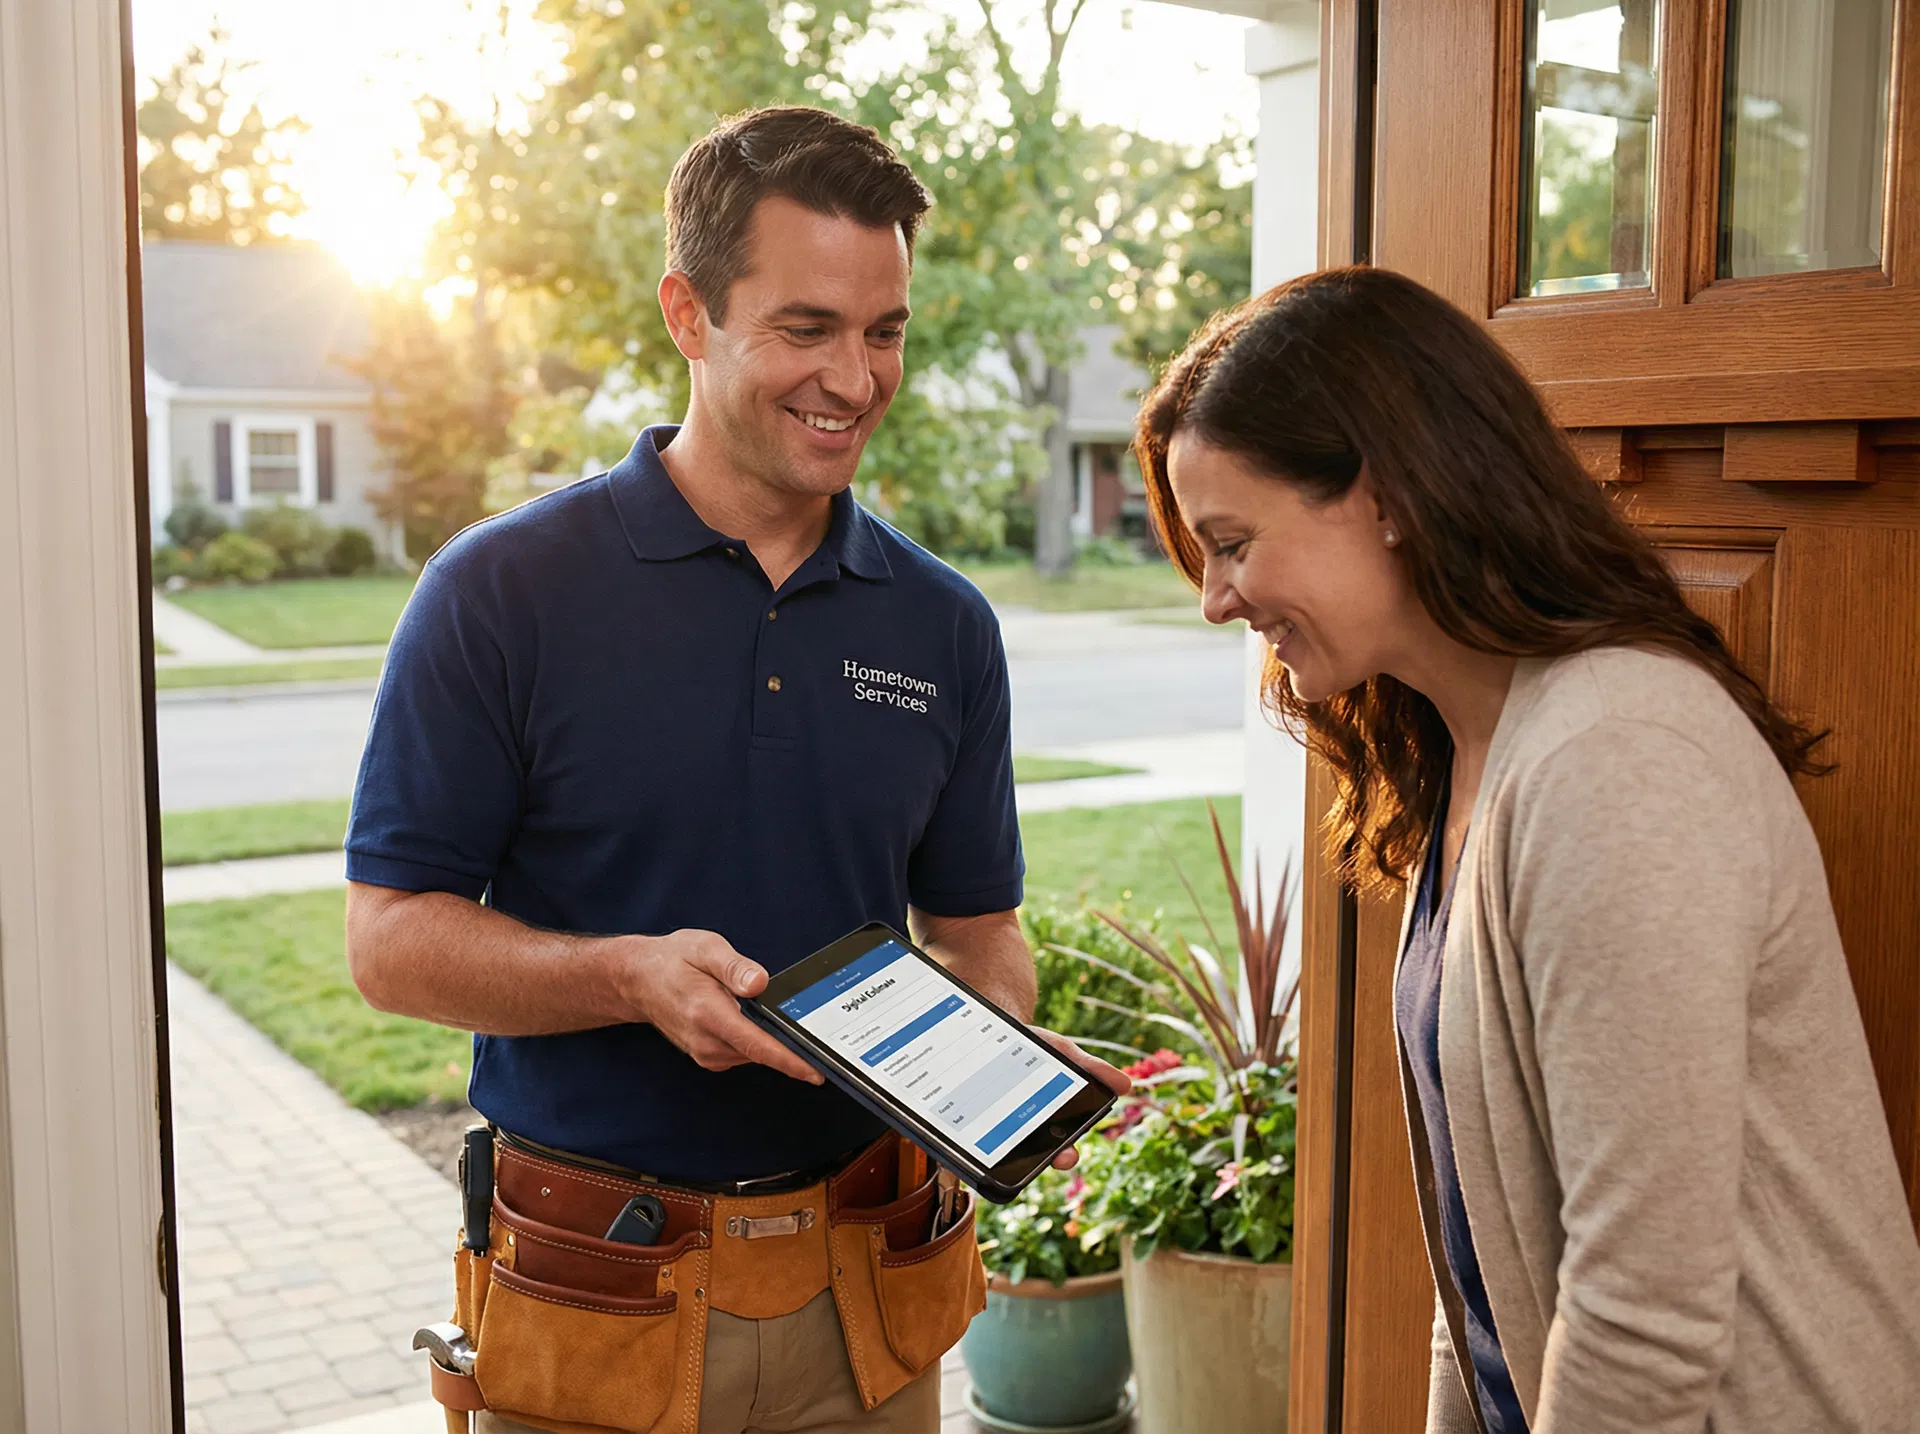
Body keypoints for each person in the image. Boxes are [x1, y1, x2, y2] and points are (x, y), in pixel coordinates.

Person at [345, 106, 1122, 1434]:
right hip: (600, 1296)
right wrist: (626, 975)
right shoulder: (501, 592)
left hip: (871, 1290)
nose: (857, 377)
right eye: (807, 328)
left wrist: (990, 1052)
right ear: (688, 315)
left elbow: (980, 926)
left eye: (884, 332)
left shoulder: (942, 624)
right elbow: (390, 943)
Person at [1134, 266, 1920, 1433]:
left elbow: (1642, 1319)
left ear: (1388, 492)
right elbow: (1491, 1264)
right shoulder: (1472, 753)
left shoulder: (1617, 757)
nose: (1217, 598)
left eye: (1235, 541)